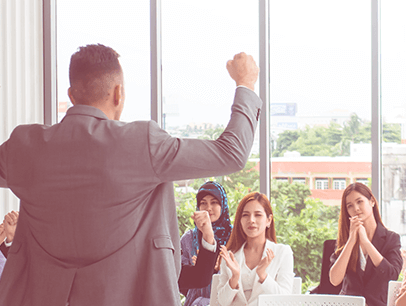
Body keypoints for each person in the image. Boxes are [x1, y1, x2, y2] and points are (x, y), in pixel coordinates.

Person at [0, 44, 262, 306]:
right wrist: (246, 83)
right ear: (118, 94)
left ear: (71, 94)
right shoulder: (141, 144)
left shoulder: (25, 146)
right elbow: (231, 153)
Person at [329, 182, 402, 306]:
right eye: (350, 206)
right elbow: (334, 280)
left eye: (359, 202)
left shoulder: (391, 238)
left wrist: (366, 243)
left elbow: (392, 275)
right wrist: (351, 241)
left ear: (372, 201)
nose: (356, 209)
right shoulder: (345, 241)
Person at [217, 192, 294, 306]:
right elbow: (221, 302)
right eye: (245, 215)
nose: (251, 220)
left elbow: (285, 300)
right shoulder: (229, 256)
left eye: (258, 215)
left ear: (268, 220)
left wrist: (263, 276)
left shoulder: (282, 253)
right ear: (240, 221)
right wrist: (234, 278)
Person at [180, 181, 232, 306]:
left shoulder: (234, 236)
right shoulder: (188, 238)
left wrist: (214, 269)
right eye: (203, 203)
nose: (208, 208)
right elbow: (180, 281)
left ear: (223, 205)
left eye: (214, 202)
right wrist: (198, 270)